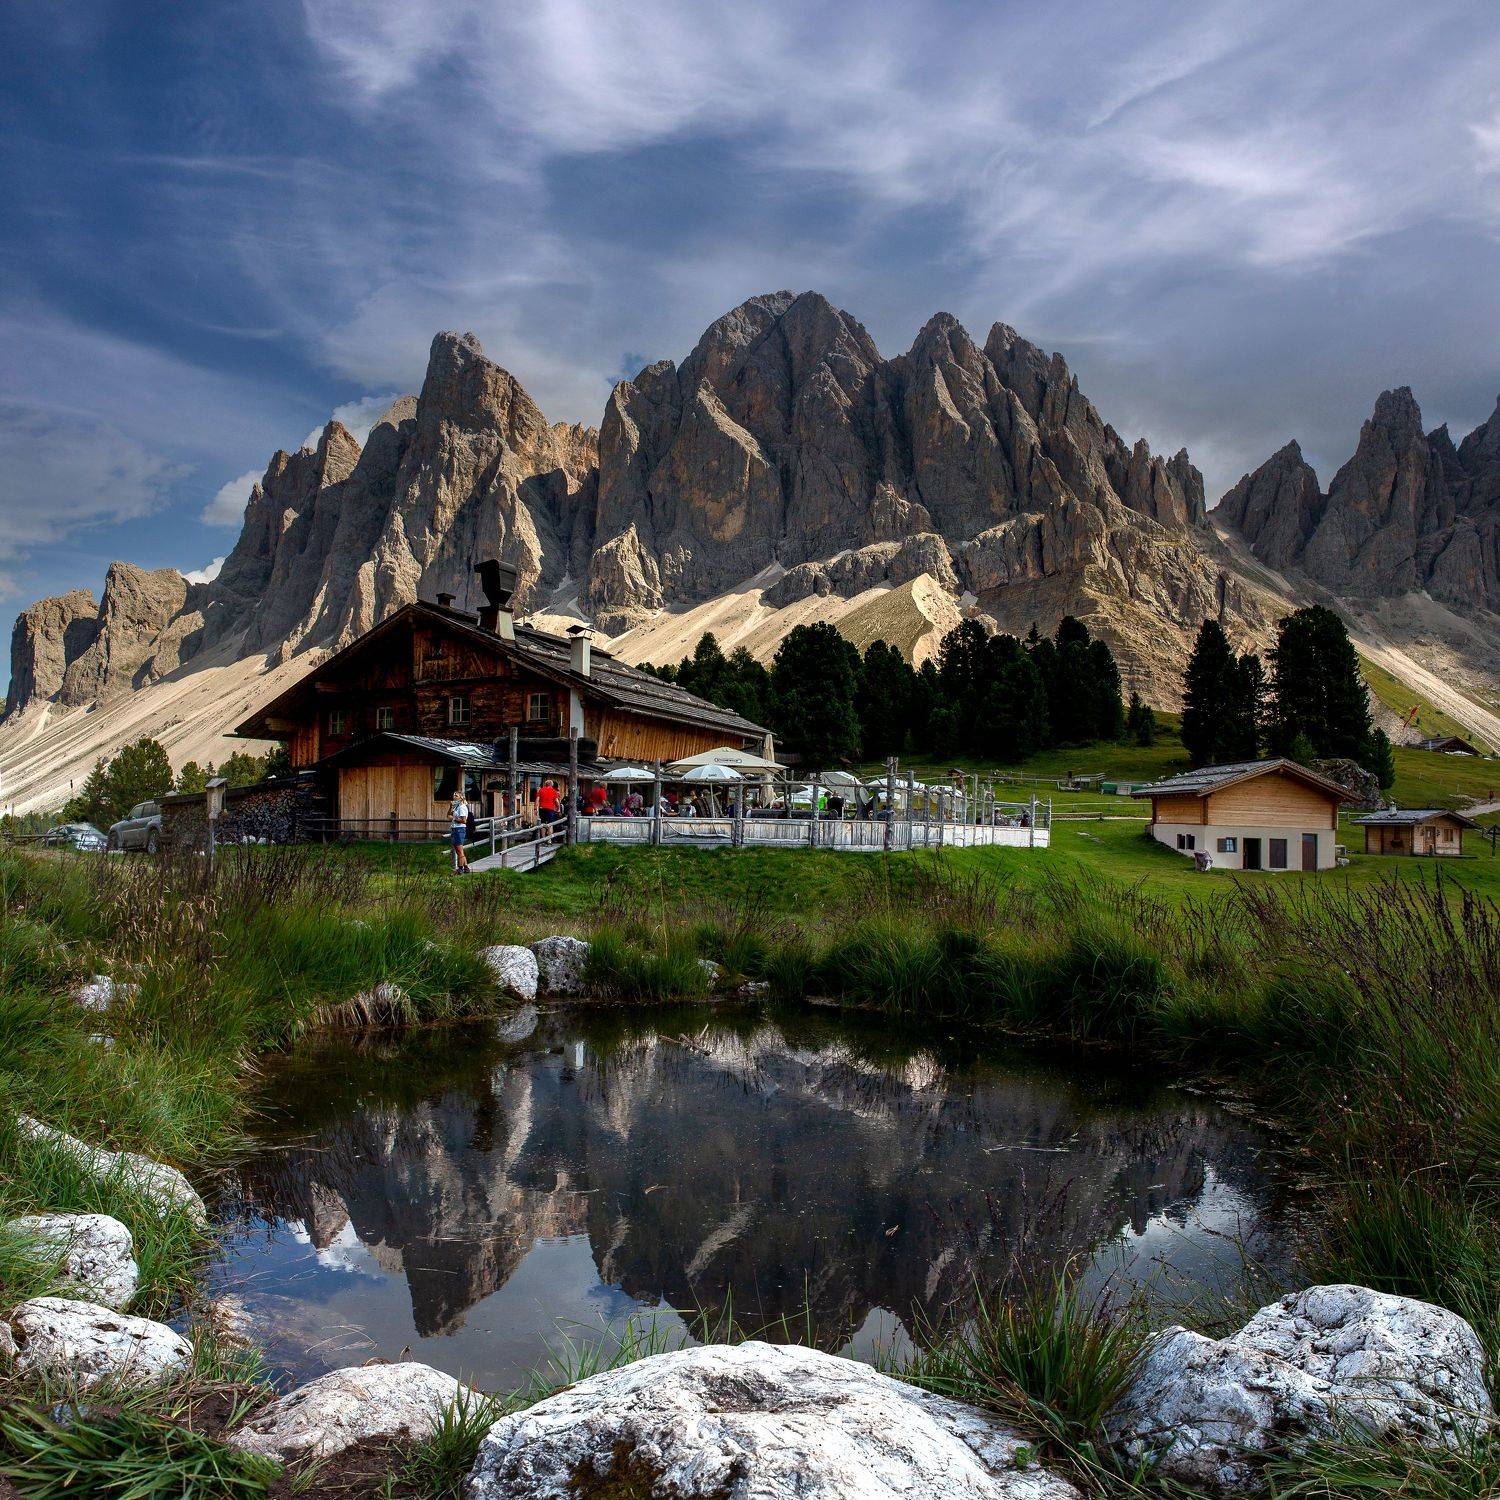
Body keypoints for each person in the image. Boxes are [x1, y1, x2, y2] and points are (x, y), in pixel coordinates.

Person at [449, 790, 471, 874]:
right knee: (459, 851)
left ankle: (460, 869)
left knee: (460, 851)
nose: (454, 796)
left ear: (461, 798)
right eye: (454, 795)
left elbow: (464, 820)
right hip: (455, 829)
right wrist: (451, 807)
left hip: (459, 829)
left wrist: (454, 819)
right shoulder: (456, 807)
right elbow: (448, 816)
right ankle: (466, 868)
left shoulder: (462, 807)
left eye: (456, 795)